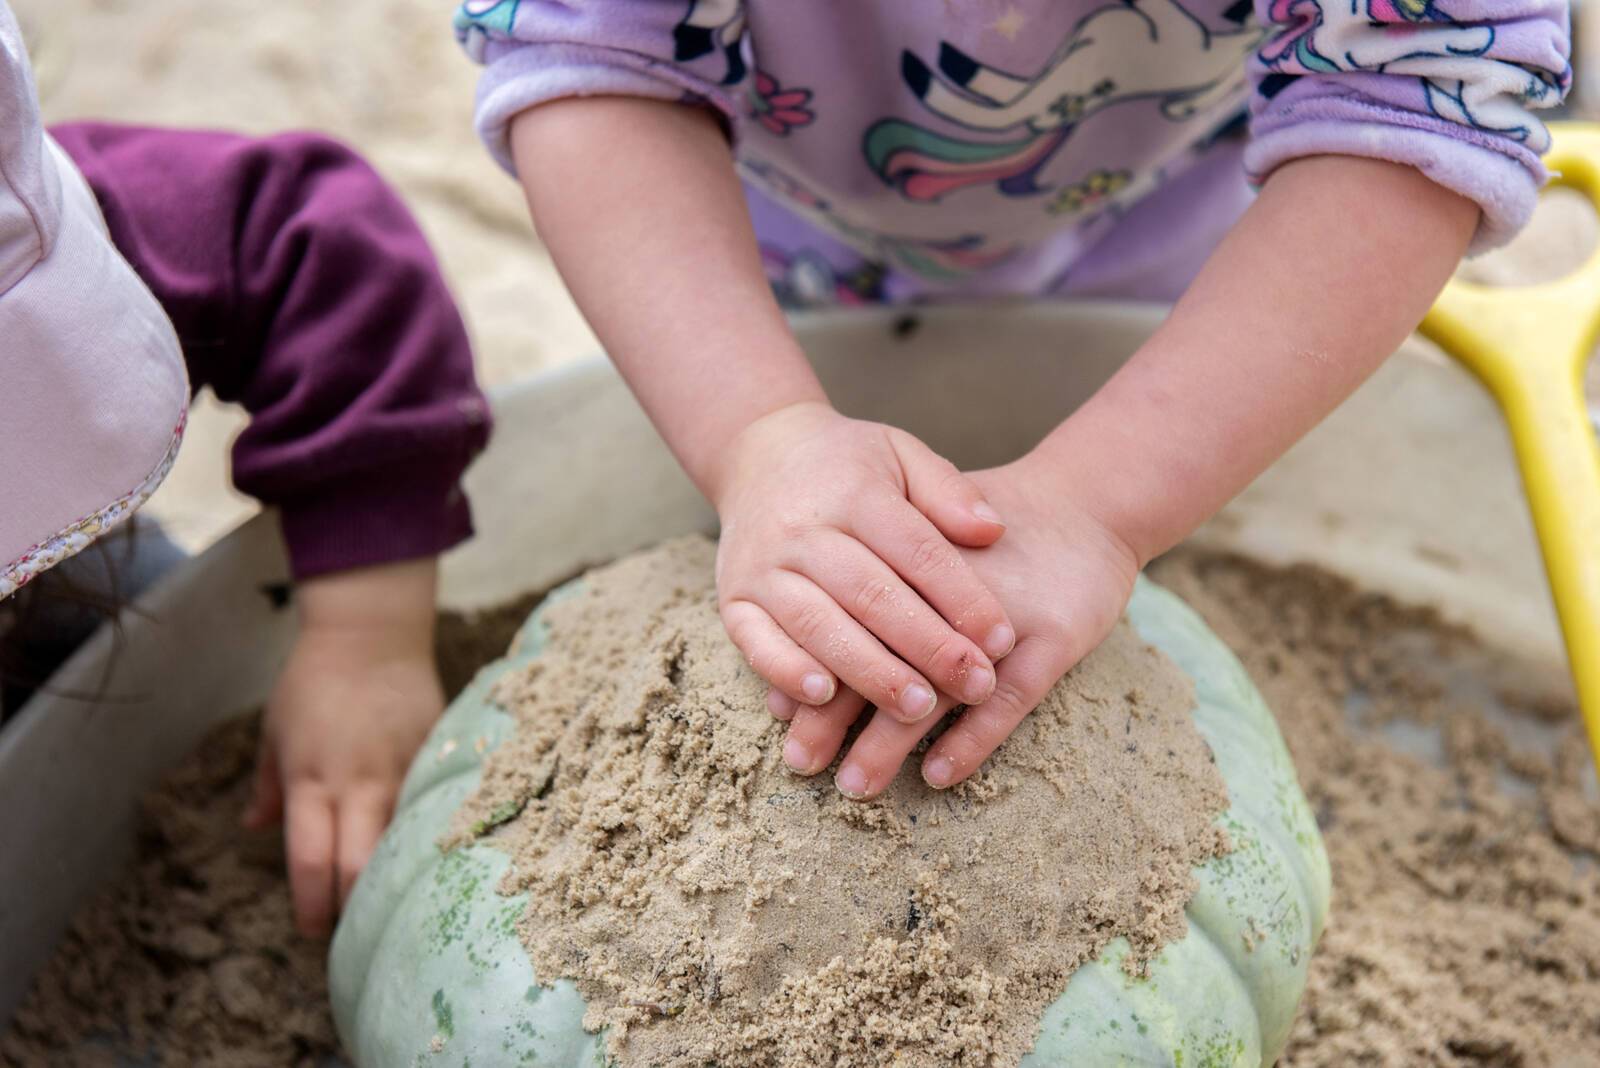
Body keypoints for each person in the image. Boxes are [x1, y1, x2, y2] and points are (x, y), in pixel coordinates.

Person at [453, 0, 1570, 800]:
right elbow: (587, 50)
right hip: (753, 241)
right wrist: (756, 431)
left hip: (1191, 231)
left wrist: (1104, 504)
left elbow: (1417, 91)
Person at [0, 1, 489, 937]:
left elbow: (321, 247)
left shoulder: (30, 222)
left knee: (177, 657)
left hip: (50, 593)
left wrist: (364, 640)